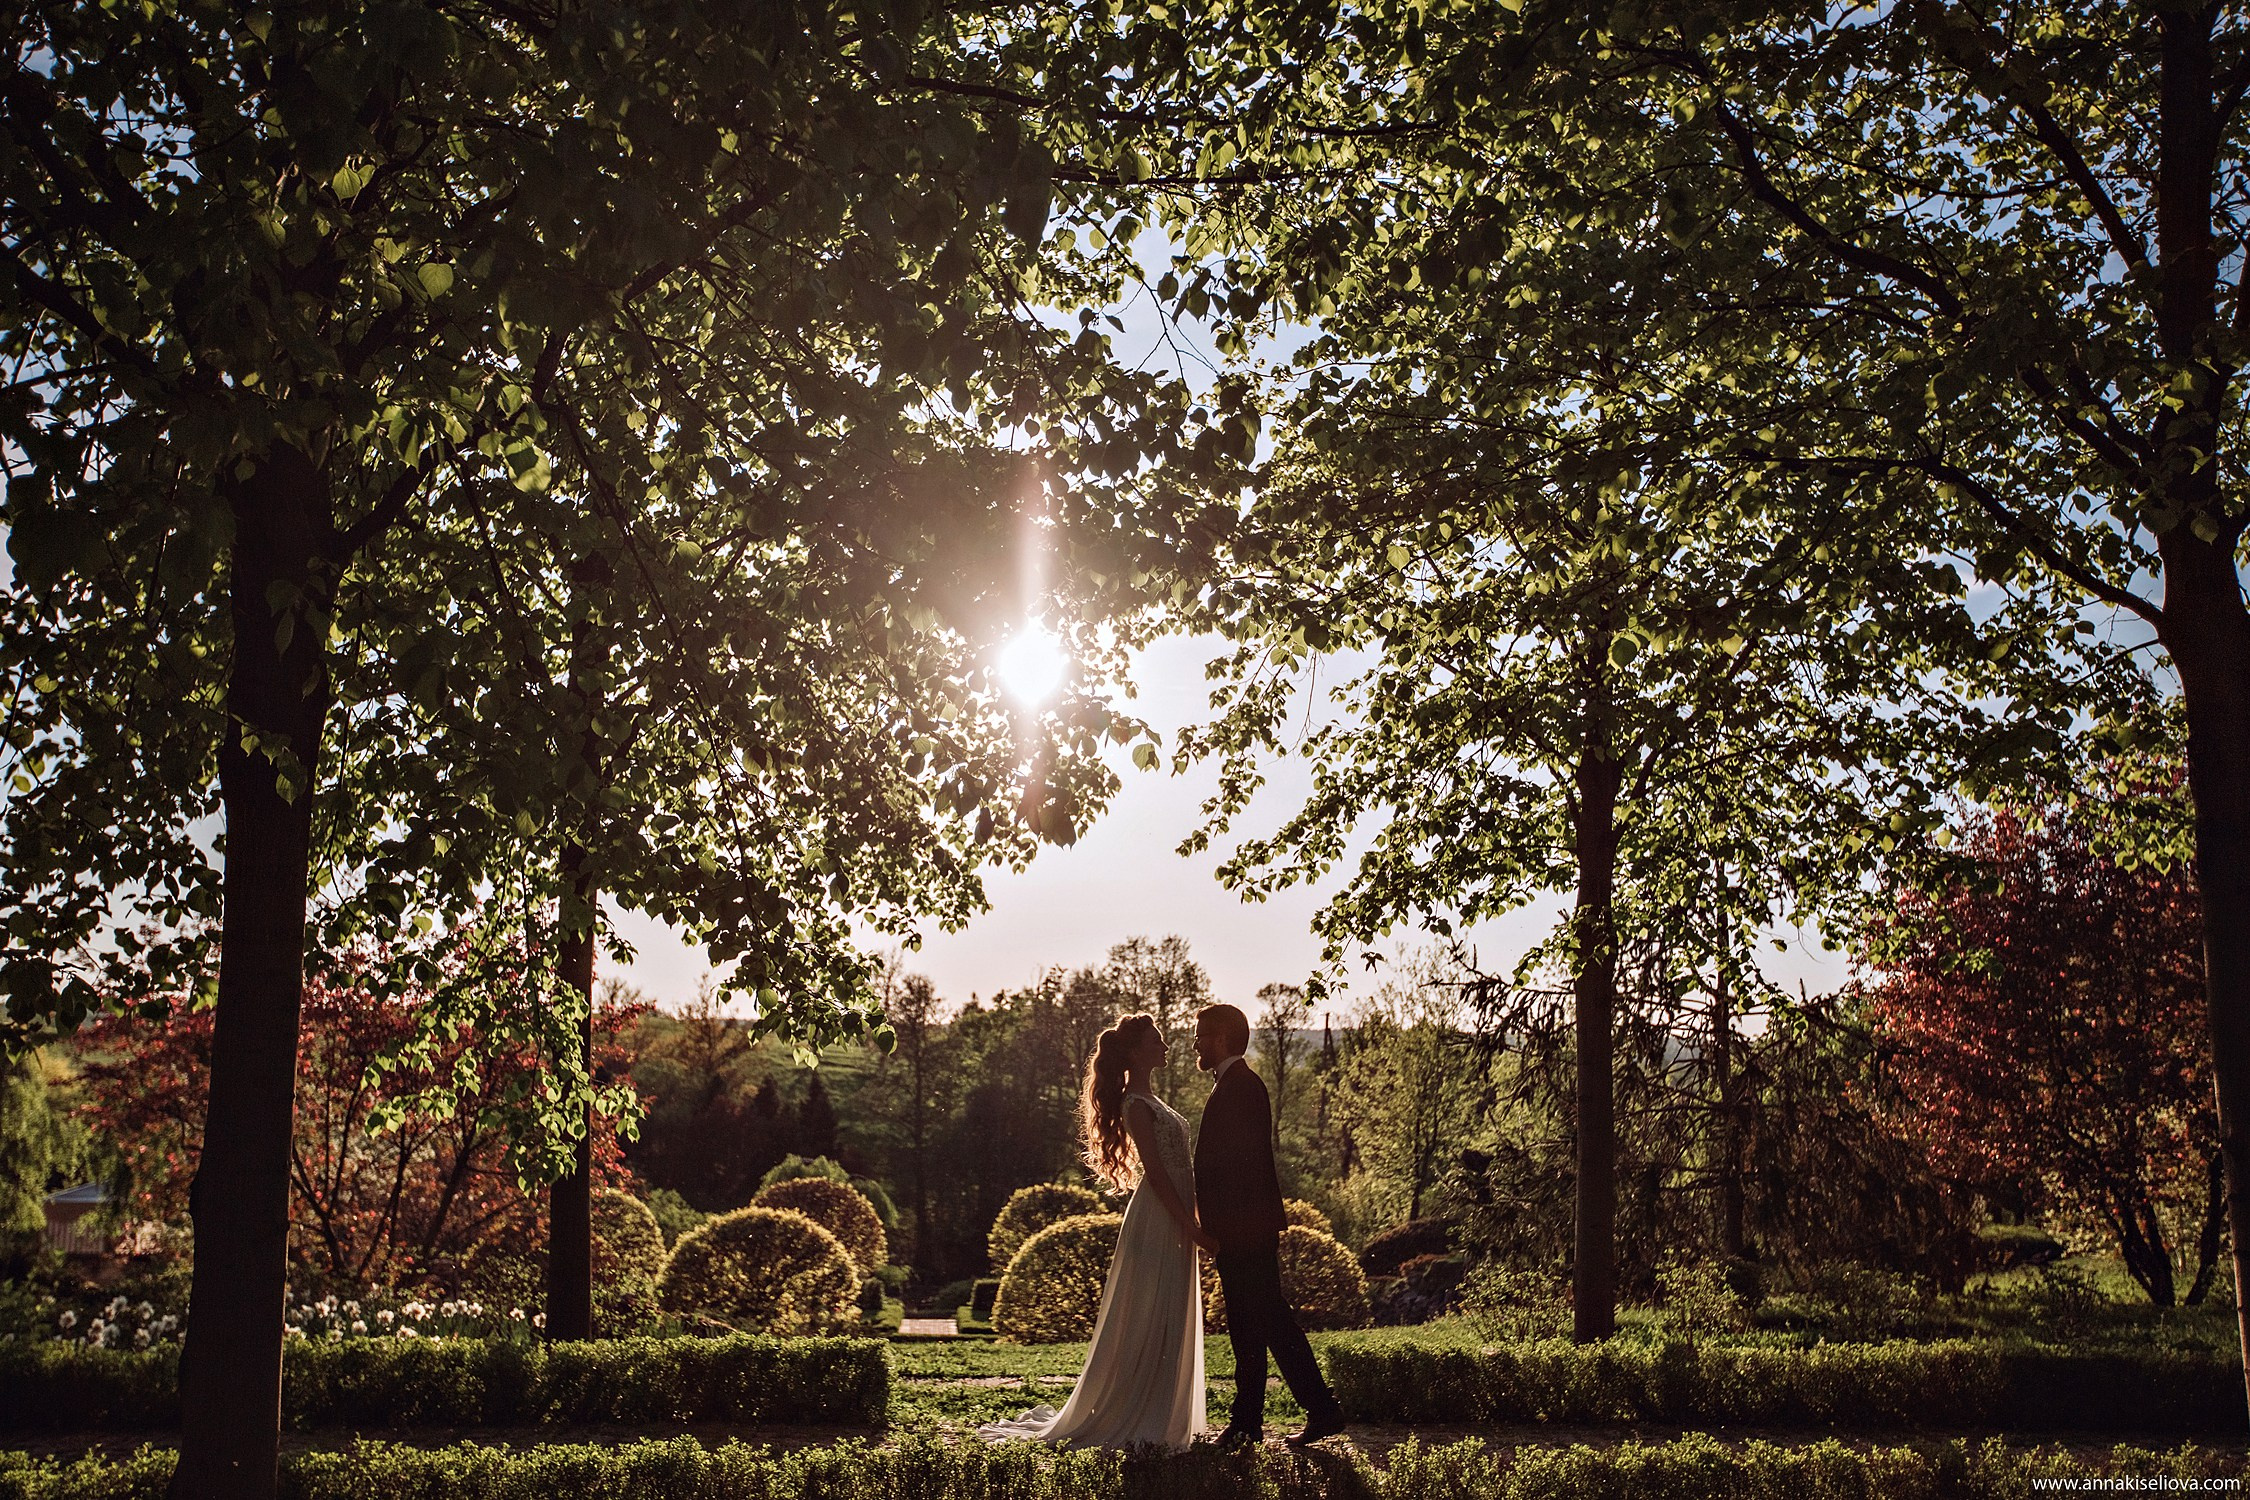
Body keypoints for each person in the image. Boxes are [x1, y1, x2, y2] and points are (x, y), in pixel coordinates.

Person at [977, 1013, 1214, 1450]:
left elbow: (1182, 1170)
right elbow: (1158, 1175)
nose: (1165, 1046)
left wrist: (1198, 1216)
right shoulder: (1136, 1105)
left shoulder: (1153, 1100)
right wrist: (1192, 1227)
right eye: (1156, 1040)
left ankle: (1165, 1410)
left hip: (1177, 1210)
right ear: (1137, 1051)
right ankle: (1140, 1413)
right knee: (1150, 1311)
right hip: (1160, 1216)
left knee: (1170, 1308)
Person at [1192, 1001, 1348, 1449]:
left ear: (1221, 1038)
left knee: (1259, 1323)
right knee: (1260, 1323)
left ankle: (1258, 1421)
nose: (1196, 1043)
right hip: (1245, 1229)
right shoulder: (1238, 1084)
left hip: (1244, 1231)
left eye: (1202, 1034)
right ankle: (1297, 1414)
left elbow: (1238, 1168)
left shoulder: (1240, 1087)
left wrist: (1217, 1229)